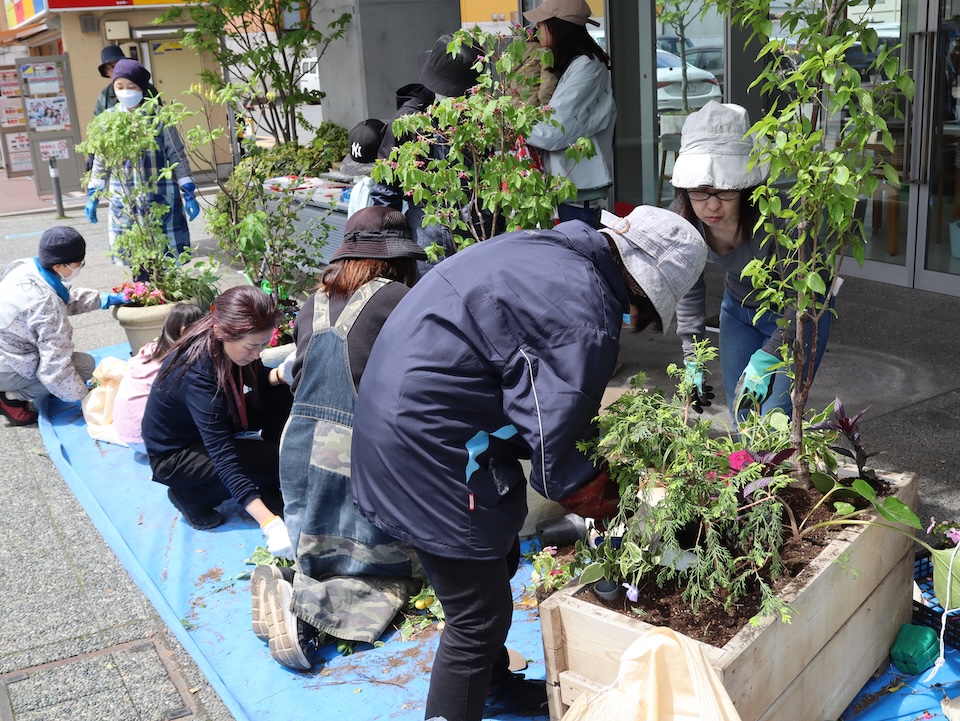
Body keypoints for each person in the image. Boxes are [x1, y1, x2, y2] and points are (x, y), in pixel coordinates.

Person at [350, 206, 708, 721]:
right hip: (426, 447)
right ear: (644, 289)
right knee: (477, 617)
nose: (638, 323)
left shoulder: (549, 250)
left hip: (403, 421)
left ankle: (492, 689)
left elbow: (533, 393)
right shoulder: (585, 312)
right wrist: (613, 501)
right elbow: (556, 446)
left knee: (494, 559)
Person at [251, 206, 426, 671]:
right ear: (397, 258)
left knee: (319, 549)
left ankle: (296, 578)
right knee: (389, 573)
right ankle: (304, 611)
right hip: (354, 449)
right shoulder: (398, 299)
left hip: (299, 445)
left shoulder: (314, 301)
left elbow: (302, 372)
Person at [670, 101, 835, 419]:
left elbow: (805, 297)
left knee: (774, 415)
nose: (712, 206)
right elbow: (689, 286)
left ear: (746, 187)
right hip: (738, 308)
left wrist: (769, 357)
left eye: (725, 191)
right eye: (700, 191)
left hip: (797, 312)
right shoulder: (685, 217)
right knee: (741, 413)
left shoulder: (781, 220)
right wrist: (693, 359)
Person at [141, 286, 293, 552]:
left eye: (263, 345)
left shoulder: (230, 346)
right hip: (176, 455)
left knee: (282, 392)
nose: (257, 354)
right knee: (276, 458)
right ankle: (191, 495)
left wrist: (283, 374)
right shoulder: (195, 372)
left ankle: (269, 479)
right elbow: (223, 456)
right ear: (224, 332)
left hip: (213, 422)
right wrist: (269, 524)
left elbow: (256, 379)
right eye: (251, 347)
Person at [372, 33, 482, 276]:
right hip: (427, 236)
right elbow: (385, 191)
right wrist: (391, 247)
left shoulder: (481, 117)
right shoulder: (408, 121)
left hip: (477, 232)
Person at [0, 227, 131, 426]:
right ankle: (11, 398)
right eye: (79, 263)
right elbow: (54, 367)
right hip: (7, 365)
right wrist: (87, 397)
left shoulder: (25, 267)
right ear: (59, 265)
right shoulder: (46, 305)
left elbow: (63, 297)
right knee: (85, 367)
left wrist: (105, 299)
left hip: (8, 349)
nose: (80, 267)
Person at [85, 59, 200, 259]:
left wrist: (189, 193)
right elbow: (101, 160)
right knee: (136, 258)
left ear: (142, 88)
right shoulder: (107, 120)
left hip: (160, 195)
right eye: (119, 86)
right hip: (125, 198)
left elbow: (176, 155)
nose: (125, 92)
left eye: (131, 87)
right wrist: (93, 195)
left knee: (165, 256)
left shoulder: (159, 117)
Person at [524, 0, 616, 228]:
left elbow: (553, 131)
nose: (537, 28)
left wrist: (512, 123)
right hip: (565, 193)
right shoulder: (572, 64)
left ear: (558, 27)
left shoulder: (588, 67)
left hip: (575, 197)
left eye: (542, 22)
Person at [112, 303, 206, 453]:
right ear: (185, 331)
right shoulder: (177, 363)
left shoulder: (150, 349)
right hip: (152, 442)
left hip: (127, 435)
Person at [87, 45, 161, 171]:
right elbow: (97, 127)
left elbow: (160, 120)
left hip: (150, 149)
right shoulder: (104, 96)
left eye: (119, 64)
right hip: (120, 154)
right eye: (112, 66)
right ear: (106, 72)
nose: (117, 68)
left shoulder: (147, 88)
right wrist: (91, 155)